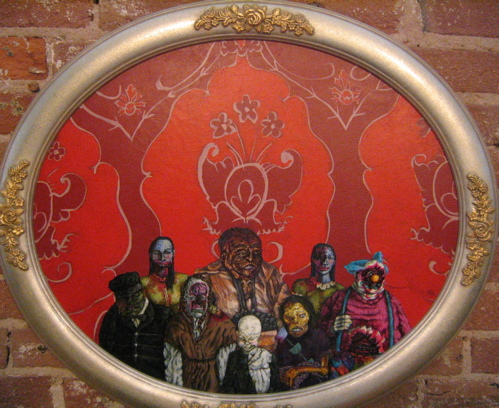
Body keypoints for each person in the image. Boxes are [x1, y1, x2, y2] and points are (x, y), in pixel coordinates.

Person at [319, 252, 411, 369]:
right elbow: (318, 331)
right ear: (357, 276)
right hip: (344, 365)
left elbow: (407, 334)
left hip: (383, 364)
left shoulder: (391, 302)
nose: (372, 284)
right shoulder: (339, 298)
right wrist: (332, 327)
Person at [195, 227, 290, 329]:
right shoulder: (207, 279)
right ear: (224, 257)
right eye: (241, 253)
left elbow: (286, 312)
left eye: (256, 253)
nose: (250, 258)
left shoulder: (270, 274)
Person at [164, 276, 237, 392]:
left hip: (212, 385)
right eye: (194, 296)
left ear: (208, 299)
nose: (198, 302)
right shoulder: (176, 325)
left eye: (202, 297)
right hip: (186, 384)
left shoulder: (222, 324)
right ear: (185, 298)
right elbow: (173, 367)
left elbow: (226, 366)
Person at [99, 271, 173, 380]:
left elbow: (172, 355)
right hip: (122, 379)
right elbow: (105, 351)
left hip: (156, 380)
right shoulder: (112, 316)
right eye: (123, 300)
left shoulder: (164, 315)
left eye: (135, 297)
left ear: (142, 292)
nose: (130, 304)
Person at [274, 295, 331, 390]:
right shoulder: (284, 341)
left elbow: (324, 370)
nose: (295, 321)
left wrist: (298, 370)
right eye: (289, 317)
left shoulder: (318, 336)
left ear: (309, 315)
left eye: (301, 316)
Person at [221, 315, 280, 394]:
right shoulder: (234, 357)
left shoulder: (268, 356)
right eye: (243, 339)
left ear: (258, 337)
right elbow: (227, 384)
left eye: (251, 339)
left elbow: (276, 384)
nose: (247, 343)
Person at [291, 243, 344, 314]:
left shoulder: (340, 290)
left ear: (334, 261)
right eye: (319, 257)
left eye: (330, 257)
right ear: (313, 259)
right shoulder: (300, 286)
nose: (324, 262)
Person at [141, 236, 188, 311]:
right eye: (156, 253)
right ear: (150, 254)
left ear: (173, 253)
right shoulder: (143, 283)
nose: (162, 257)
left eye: (167, 252)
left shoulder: (184, 279)